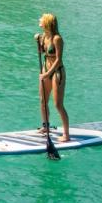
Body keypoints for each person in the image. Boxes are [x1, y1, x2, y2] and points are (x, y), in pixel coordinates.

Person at [35, 13, 70, 142]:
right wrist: (38, 42)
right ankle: (46, 127)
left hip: (56, 73)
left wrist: (47, 74)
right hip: (46, 70)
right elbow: (42, 52)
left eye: (41, 19)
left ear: (47, 22)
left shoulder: (57, 39)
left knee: (58, 104)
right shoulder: (44, 36)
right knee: (43, 100)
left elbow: (58, 60)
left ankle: (66, 135)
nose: (39, 20)